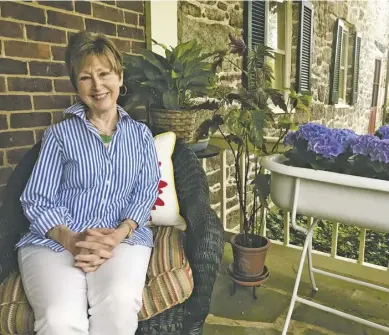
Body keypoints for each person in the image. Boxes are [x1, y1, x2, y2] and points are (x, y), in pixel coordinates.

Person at [15, 30, 161, 335]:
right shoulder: (59, 136)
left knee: (119, 304)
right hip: (57, 241)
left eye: (104, 73)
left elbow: (145, 191)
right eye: (85, 77)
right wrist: (72, 240)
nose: (97, 85)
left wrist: (119, 234)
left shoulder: (141, 136)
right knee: (59, 318)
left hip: (122, 239)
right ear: (76, 86)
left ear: (120, 77)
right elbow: (36, 199)